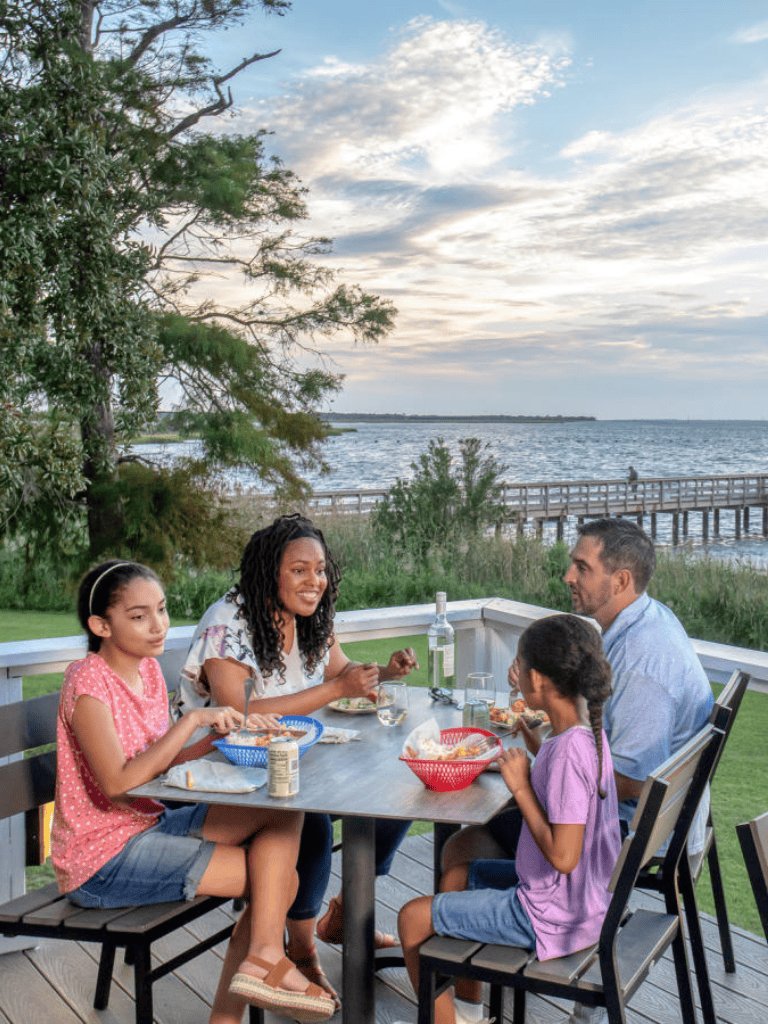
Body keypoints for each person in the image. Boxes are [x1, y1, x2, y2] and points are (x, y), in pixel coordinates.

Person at [50, 560, 335, 1024]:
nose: (158, 625)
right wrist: (191, 719)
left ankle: (262, 957)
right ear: (101, 624)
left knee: (285, 810)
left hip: (147, 826)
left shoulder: (144, 672)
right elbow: (119, 782)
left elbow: (159, 762)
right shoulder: (87, 682)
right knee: (280, 882)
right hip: (100, 859)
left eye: (161, 610)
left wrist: (226, 731)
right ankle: (248, 985)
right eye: (139, 616)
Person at [173, 512, 419, 1008]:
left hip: (293, 754)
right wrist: (334, 689)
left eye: (321, 570)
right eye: (300, 570)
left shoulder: (313, 617)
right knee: (307, 817)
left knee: (398, 787)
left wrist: (385, 675)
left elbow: (344, 671)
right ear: (271, 573)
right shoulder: (230, 623)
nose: (315, 582)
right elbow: (235, 715)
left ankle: (346, 915)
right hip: (222, 770)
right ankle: (302, 949)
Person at [393, 614, 621, 1024]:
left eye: (519, 665)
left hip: (552, 915)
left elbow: (564, 856)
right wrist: (536, 748)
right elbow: (568, 800)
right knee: (456, 876)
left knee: (411, 919)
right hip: (585, 902)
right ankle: (468, 1010)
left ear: (536, 679)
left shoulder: (568, 753)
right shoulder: (586, 732)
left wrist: (520, 787)